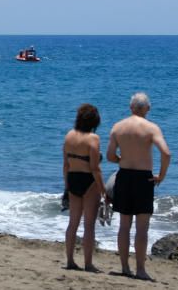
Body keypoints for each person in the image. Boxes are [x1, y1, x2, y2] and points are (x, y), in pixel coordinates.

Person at [106, 92, 172, 281]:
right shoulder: (151, 128)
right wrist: (161, 175)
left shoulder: (118, 127)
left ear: (130, 108)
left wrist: (122, 159)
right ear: (148, 109)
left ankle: (125, 267)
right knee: (142, 228)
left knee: (124, 225)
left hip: (124, 176)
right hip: (144, 179)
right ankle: (141, 270)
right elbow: (166, 153)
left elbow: (110, 156)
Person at [62, 103, 107, 272]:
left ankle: (70, 261)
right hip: (89, 180)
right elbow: (95, 168)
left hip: (73, 178)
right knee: (89, 225)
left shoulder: (69, 136)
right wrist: (102, 188)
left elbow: (65, 164)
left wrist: (67, 185)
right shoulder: (93, 138)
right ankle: (88, 264)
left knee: (72, 223)